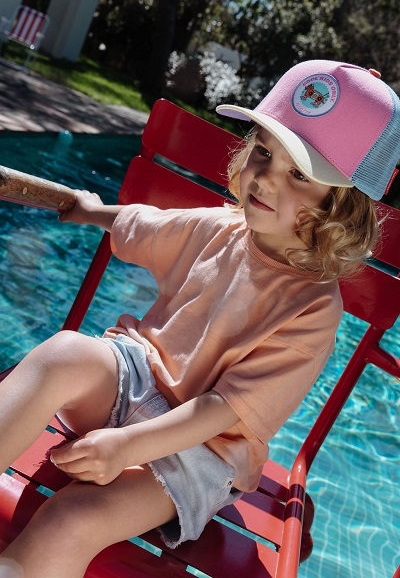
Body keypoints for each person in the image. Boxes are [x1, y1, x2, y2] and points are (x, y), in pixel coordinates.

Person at [0, 59, 399, 578]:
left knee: (72, 520)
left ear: (340, 208)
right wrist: (88, 208)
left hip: (197, 453)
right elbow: (142, 224)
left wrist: (127, 445)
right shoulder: (222, 227)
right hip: (137, 381)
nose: (264, 178)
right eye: (263, 151)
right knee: (62, 353)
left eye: (298, 174)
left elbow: (224, 409)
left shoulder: (314, 311)